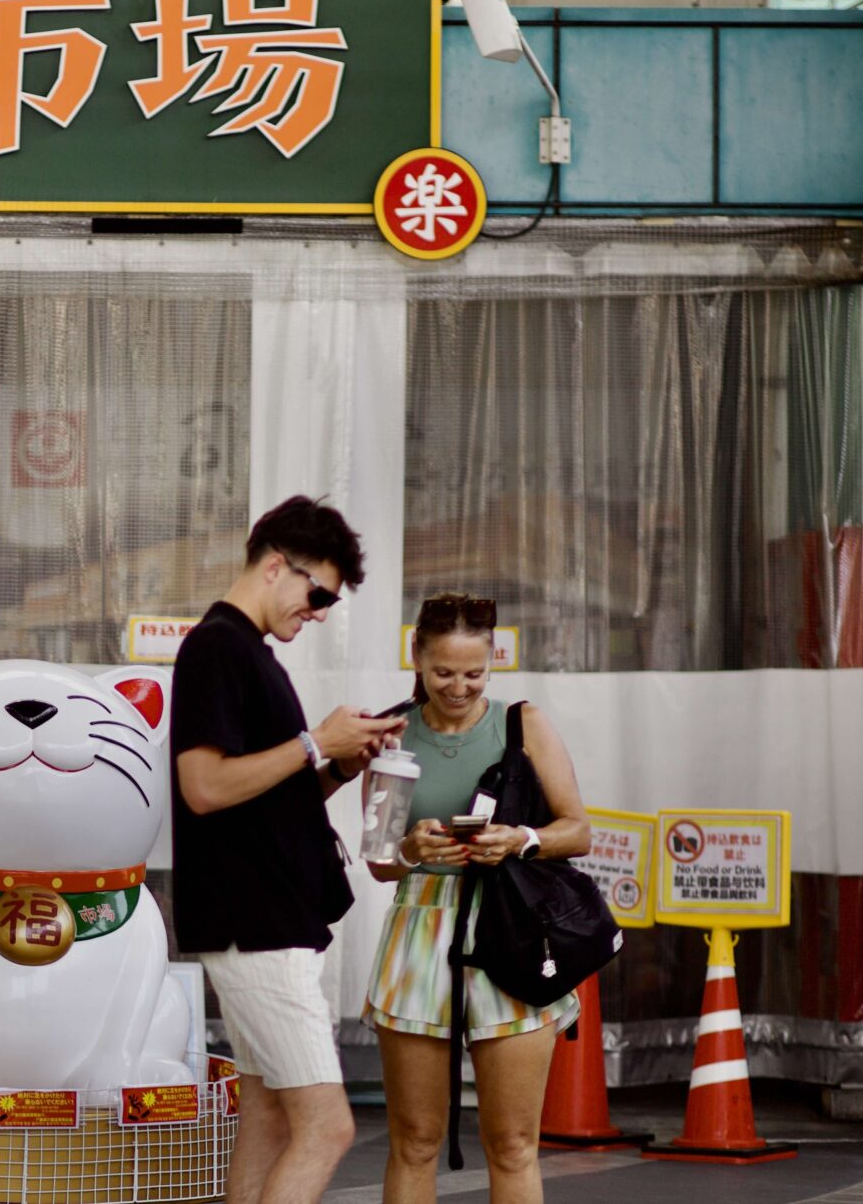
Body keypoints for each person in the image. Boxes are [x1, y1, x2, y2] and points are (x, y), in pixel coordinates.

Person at [171, 496, 405, 1204]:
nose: (322, 611)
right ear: (278, 565)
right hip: (258, 924)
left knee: (270, 1113)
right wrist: (314, 745)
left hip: (262, 919)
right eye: (319, 593)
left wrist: (339, 762)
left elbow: (267, 801)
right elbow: (204, 786)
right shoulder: (219, 647)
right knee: (329, 1126)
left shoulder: (247, 653)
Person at [367, 595, 591, 1204]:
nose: (459, 687)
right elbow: (380, 863)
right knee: (413, 1139)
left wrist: (521, 839)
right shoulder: (389, 732)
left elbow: (578, 829)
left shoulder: (524, 723)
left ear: (493, 662)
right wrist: (413, 849)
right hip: (419, 930)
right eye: (443, 672)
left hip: (510, 928)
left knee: (514, 1142)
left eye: (475, 673)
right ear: (416, 658)